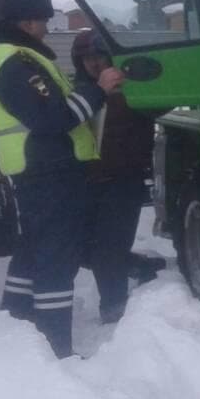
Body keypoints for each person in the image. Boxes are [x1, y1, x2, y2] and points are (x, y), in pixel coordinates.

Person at [0, 0, 124, 358]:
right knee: (56, 258)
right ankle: (54, 344)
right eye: (43, 21)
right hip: (48, 170)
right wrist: (98, 90)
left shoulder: (19, 58)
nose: (46, 28)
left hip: (41, 169)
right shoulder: (17, 63)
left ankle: (15, 317)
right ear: (27, 22)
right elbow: (53, 118)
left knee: (33, 247)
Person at [71, 31, 158, 323]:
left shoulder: (132, 91)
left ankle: (113, 308)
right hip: (85, 182)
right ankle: (139, 267)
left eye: (99, 57)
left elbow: (164, 102)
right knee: (83, 248)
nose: (94, 63)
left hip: (123, 181)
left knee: (109, 248)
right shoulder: (74, 94)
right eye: (87, 58)